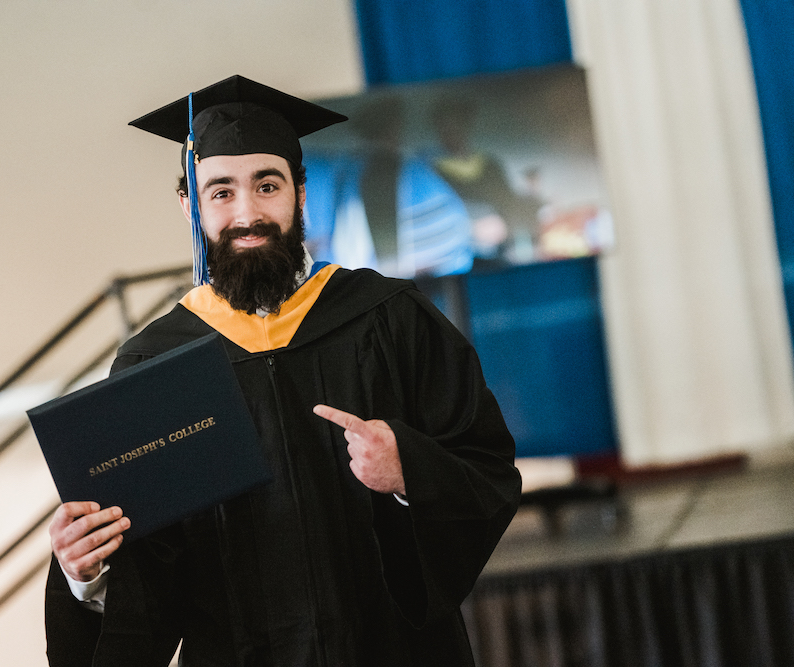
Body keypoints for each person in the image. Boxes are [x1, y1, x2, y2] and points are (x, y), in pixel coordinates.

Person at [44, 75, 522, 667]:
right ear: (189, 205)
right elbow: (150, 568)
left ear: (300, 192)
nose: (247, 213)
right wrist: (84, 573)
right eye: (220, 192)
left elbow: (488, 469)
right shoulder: (153, 364)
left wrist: (409, 473)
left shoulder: (390, 319)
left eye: (266, 185)